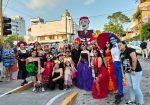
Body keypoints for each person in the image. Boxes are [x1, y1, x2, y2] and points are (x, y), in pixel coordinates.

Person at [118, 41, 144, 105]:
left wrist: (133, 69)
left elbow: (134, 60)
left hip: (136, 71)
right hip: (127, 72)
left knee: (135, 87)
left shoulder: (130, 50)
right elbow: (121, 64)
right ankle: (132, 101)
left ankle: (141, 102)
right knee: (130, 86)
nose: (119, 46)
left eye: (120, 45)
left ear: (124, 45)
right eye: (118, 45)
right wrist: (123, 74)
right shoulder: (121, 54)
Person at [110, 36, 124, 104]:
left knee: (120, 78)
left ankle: (120, 93)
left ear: (115, 39)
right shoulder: (111, 49)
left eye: (113, 39)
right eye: (111, 40)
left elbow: (122, 52)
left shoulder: (119, 45)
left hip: (120, 63)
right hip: (115, 63)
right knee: (117, 79)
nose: (112, 40)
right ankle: (119, 92)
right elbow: (112, 58)